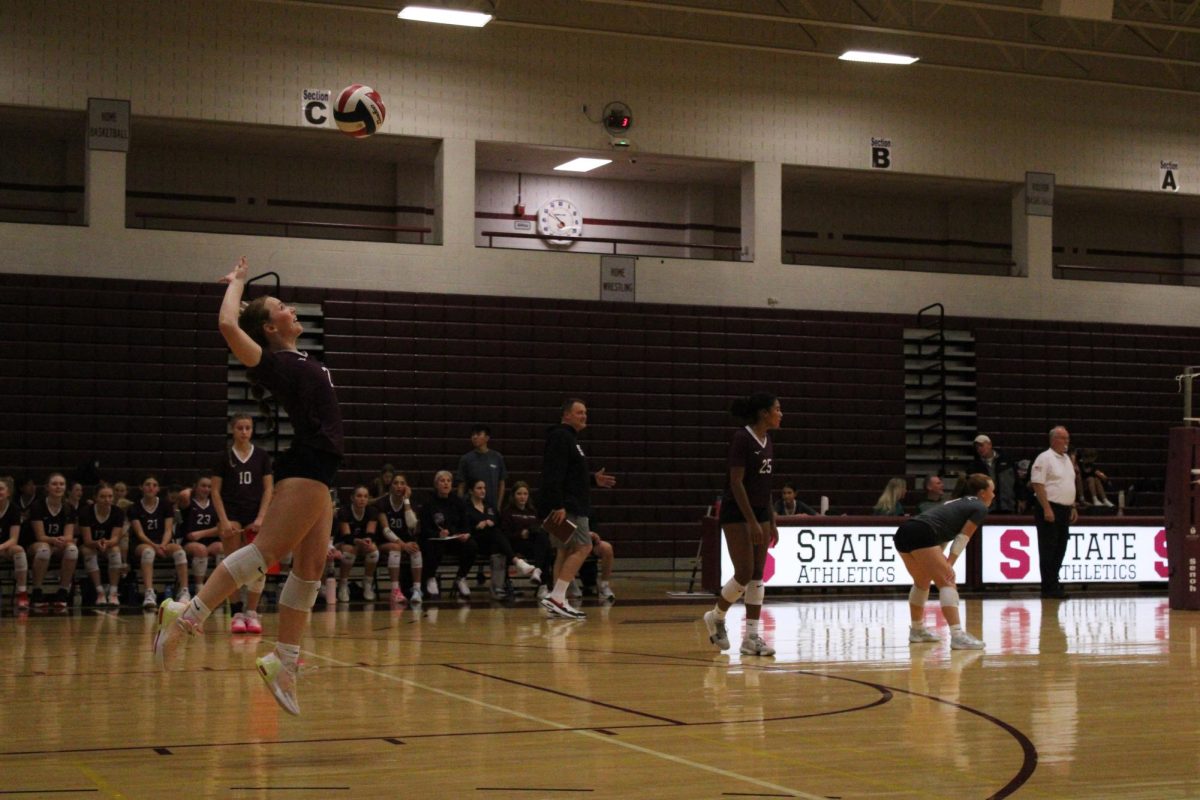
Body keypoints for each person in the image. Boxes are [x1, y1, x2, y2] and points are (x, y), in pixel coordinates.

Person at [154, 255, 345, 717]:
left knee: (311, 570)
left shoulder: (302, 359)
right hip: (308, 464)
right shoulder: (273, 362)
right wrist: (238, 283)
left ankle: (284, 661)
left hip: (323, 469)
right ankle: (189, 613)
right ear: (269, 327)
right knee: (265, 553)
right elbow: (226, 323)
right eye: (282, 306)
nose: (291, 308)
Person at [702, 393, 780, 656]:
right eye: (777, 409)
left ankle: (752, 637)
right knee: (744, 572)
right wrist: (751, 521)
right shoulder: (741, 439)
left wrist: (772, 520)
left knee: (759, 573)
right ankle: (716, 616)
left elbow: (766, 486)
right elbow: (736, 482)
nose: (781, 414)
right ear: (763, 413)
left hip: (761, 513)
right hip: (737, 512)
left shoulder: (768, 440)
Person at [894, 473, 992, 650]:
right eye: (992, 491)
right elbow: (963, 537)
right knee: (947, 580)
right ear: (983, 492)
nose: (994, 495)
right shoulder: (979, 506)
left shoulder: (957, 502)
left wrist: (943, 559)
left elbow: (944, 532)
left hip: (905, 531)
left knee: (922, 582)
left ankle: (917, 630)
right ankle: (957, 635)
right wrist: (949, 564)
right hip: (922, 532)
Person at [539, 398, 617, 620]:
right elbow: (554, 473)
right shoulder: (562, 437)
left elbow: (571, 475)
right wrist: (558, 505)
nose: (584, 416)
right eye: (579, 412)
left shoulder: (568, 438)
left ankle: (558, 601)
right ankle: (557, 597)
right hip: (567, 507)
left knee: (564, 551)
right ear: (566, 415)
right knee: (583, 547)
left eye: (585, 412)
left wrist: (593, 479)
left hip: (563, 504)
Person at [211, 413, 274, 634]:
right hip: (232, 513)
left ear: (252, 430)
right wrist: (224, 520)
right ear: (233, 430)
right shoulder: (224, 457)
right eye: (240, 428)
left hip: (255, 514)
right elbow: (215, 492)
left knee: (259, 565)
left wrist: (261, 518)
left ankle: (252, 612)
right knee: (232, 563)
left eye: (248, 428)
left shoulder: (262, 456)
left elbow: (268, 489)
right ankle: (237, 611)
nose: (244, 432)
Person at [465, 478, 537, 599]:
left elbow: (498, 523)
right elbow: (463, 527)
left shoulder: (490, 507)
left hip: (493, 542)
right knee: (498, 538)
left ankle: (498, 587)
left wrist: (491, 523)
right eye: (479, 488)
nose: (483, 491)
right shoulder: (466, 507)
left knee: (498, 544)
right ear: (471, 491)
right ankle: (516, 562)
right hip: (476, 540)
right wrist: (477, 526)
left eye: (484, 488)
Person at [129, 474, 187, 608]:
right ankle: (149, 593)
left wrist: (163, 545)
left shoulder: (165, 505)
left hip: (162, 542)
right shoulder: (135, 507)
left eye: (154, 485)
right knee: (148, 552)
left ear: (158, 489)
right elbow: (139, 533)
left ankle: (183, 591)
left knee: (180, 552)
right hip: (142, 543)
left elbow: (168, 530)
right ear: (141, 487)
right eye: (147, 484)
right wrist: (155, 546)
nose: (151, 487)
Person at [1031, 426, 1076, 599]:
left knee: (1060, 548)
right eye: (1063, 438)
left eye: (1068, 438)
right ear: (1053, 439)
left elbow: (1068, 484)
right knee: (1048, 548)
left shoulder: (1066, 459)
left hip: (1064, 509)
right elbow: (1038, 484)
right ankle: (1048, 587)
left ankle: (1054, 582)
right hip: (1050, 507)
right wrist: (1047, 508)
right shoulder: (1044, 458)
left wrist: (1072, 507)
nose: (1066, 442)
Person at [417, 471, 478, 600]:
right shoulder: (429, 502)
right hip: (435, 539)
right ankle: (431, 578)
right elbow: (424, 528)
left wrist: (464, 534)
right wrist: (438, 533)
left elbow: (466, 524)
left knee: (471, 545)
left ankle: (461, 577)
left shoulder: (458, 502)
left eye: (448, 481)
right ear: (436, 484)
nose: (446, 483)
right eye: (442, 481)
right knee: (433, 546)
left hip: (454, 539)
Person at [24, 472, 79, 611]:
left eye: (61, 484)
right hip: (35, 545)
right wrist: (54, 540)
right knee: (44, 549)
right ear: (47, 487)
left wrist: (62, 541)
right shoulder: (38, 506)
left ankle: (63, 592)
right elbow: (40, 536)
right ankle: (37, 591)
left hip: (58, 544)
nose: (58, 487)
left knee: (72, 549)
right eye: (54, 484)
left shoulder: (68, 508)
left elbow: (69, 535)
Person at [374, 472, 423, 605]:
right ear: (390, 486)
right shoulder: (382, 503)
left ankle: (417, 590)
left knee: (415, 548)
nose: (399, 486)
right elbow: (386, 530)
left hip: (405, 541)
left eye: (402, 483)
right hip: (385, 542)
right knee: (396, 547)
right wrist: (403, 545)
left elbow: (412, 524)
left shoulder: (411, 503)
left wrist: (406, 500)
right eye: (396, 483)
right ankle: (395, 590)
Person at [78, 482, 126, 606]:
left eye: (110, 496)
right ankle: (99, 591)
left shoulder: (118, 512)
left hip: (108, 544)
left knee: (115, 551)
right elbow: (87, 540)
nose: (107, 500)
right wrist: (97, 543)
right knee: (88, 551)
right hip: (91, 544)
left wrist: (107, 543)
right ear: (95, 497)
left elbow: (115, 538)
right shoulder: (86, 511)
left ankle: (113, 592)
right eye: (103, 497)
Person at [501, 481, 549, 595]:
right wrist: (520, 534)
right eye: (519, 494)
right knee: (544, 548)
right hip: (516, 543)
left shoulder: (532, 511)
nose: (522, 497)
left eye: (525, 494)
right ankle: (542, 581)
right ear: (513, 496)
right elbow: (504, 535)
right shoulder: (508, 512)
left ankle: (539, 576)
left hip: (533, 543)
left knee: (544, 542)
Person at [335, 485, 380, 602]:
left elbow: (371, 533)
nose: (362, 499)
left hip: (361, 543)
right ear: (352, 498)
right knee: (350, 549)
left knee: (373, 549)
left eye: (365, 496)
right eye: (359, 496)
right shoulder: (344, 511)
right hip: (343, 543)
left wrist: (368, 541)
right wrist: (358, 541)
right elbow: (346, 536)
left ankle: (367, 584)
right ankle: (343, 585)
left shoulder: (372, 511)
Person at [181, 476, 222, 602]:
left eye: (209, 487)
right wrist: (190, 490)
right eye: (203, 486)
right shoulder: (189, 502)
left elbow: (220, 528)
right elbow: (183, 494)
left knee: (222, 547)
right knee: (200, 550)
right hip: (190, 543)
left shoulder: (215, 504)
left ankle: (219, 587)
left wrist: (201, 533)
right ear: (196, 487)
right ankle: (200, 588)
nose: (206, 489)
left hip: (208, 541)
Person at [455, 424, 508, 508]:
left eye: (478, 434)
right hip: (471, 507)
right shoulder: (466, 459)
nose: (475, 437)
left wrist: (498, 506)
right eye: (473, 435)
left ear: (487, 438)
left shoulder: (497, 457)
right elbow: (461, 485)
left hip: (491, 505)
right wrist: (460, 506)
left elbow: (501, 484)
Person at [0, 479, 30, 611]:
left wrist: (0, 547)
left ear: (8, 492)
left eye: (1, 489)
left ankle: (22, 593)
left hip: (6, 547)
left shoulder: (14, 509)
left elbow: (14, 538)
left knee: (19, 550)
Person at [967, 434, 1017, 512]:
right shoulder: (974, 466)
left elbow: (1017, 481)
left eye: (981, 445)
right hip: (986, 508)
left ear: (989, 444)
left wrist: (1021, 499)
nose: (979, 449)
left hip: (1008, 506)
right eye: (977, 447)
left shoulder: (1007, 461)